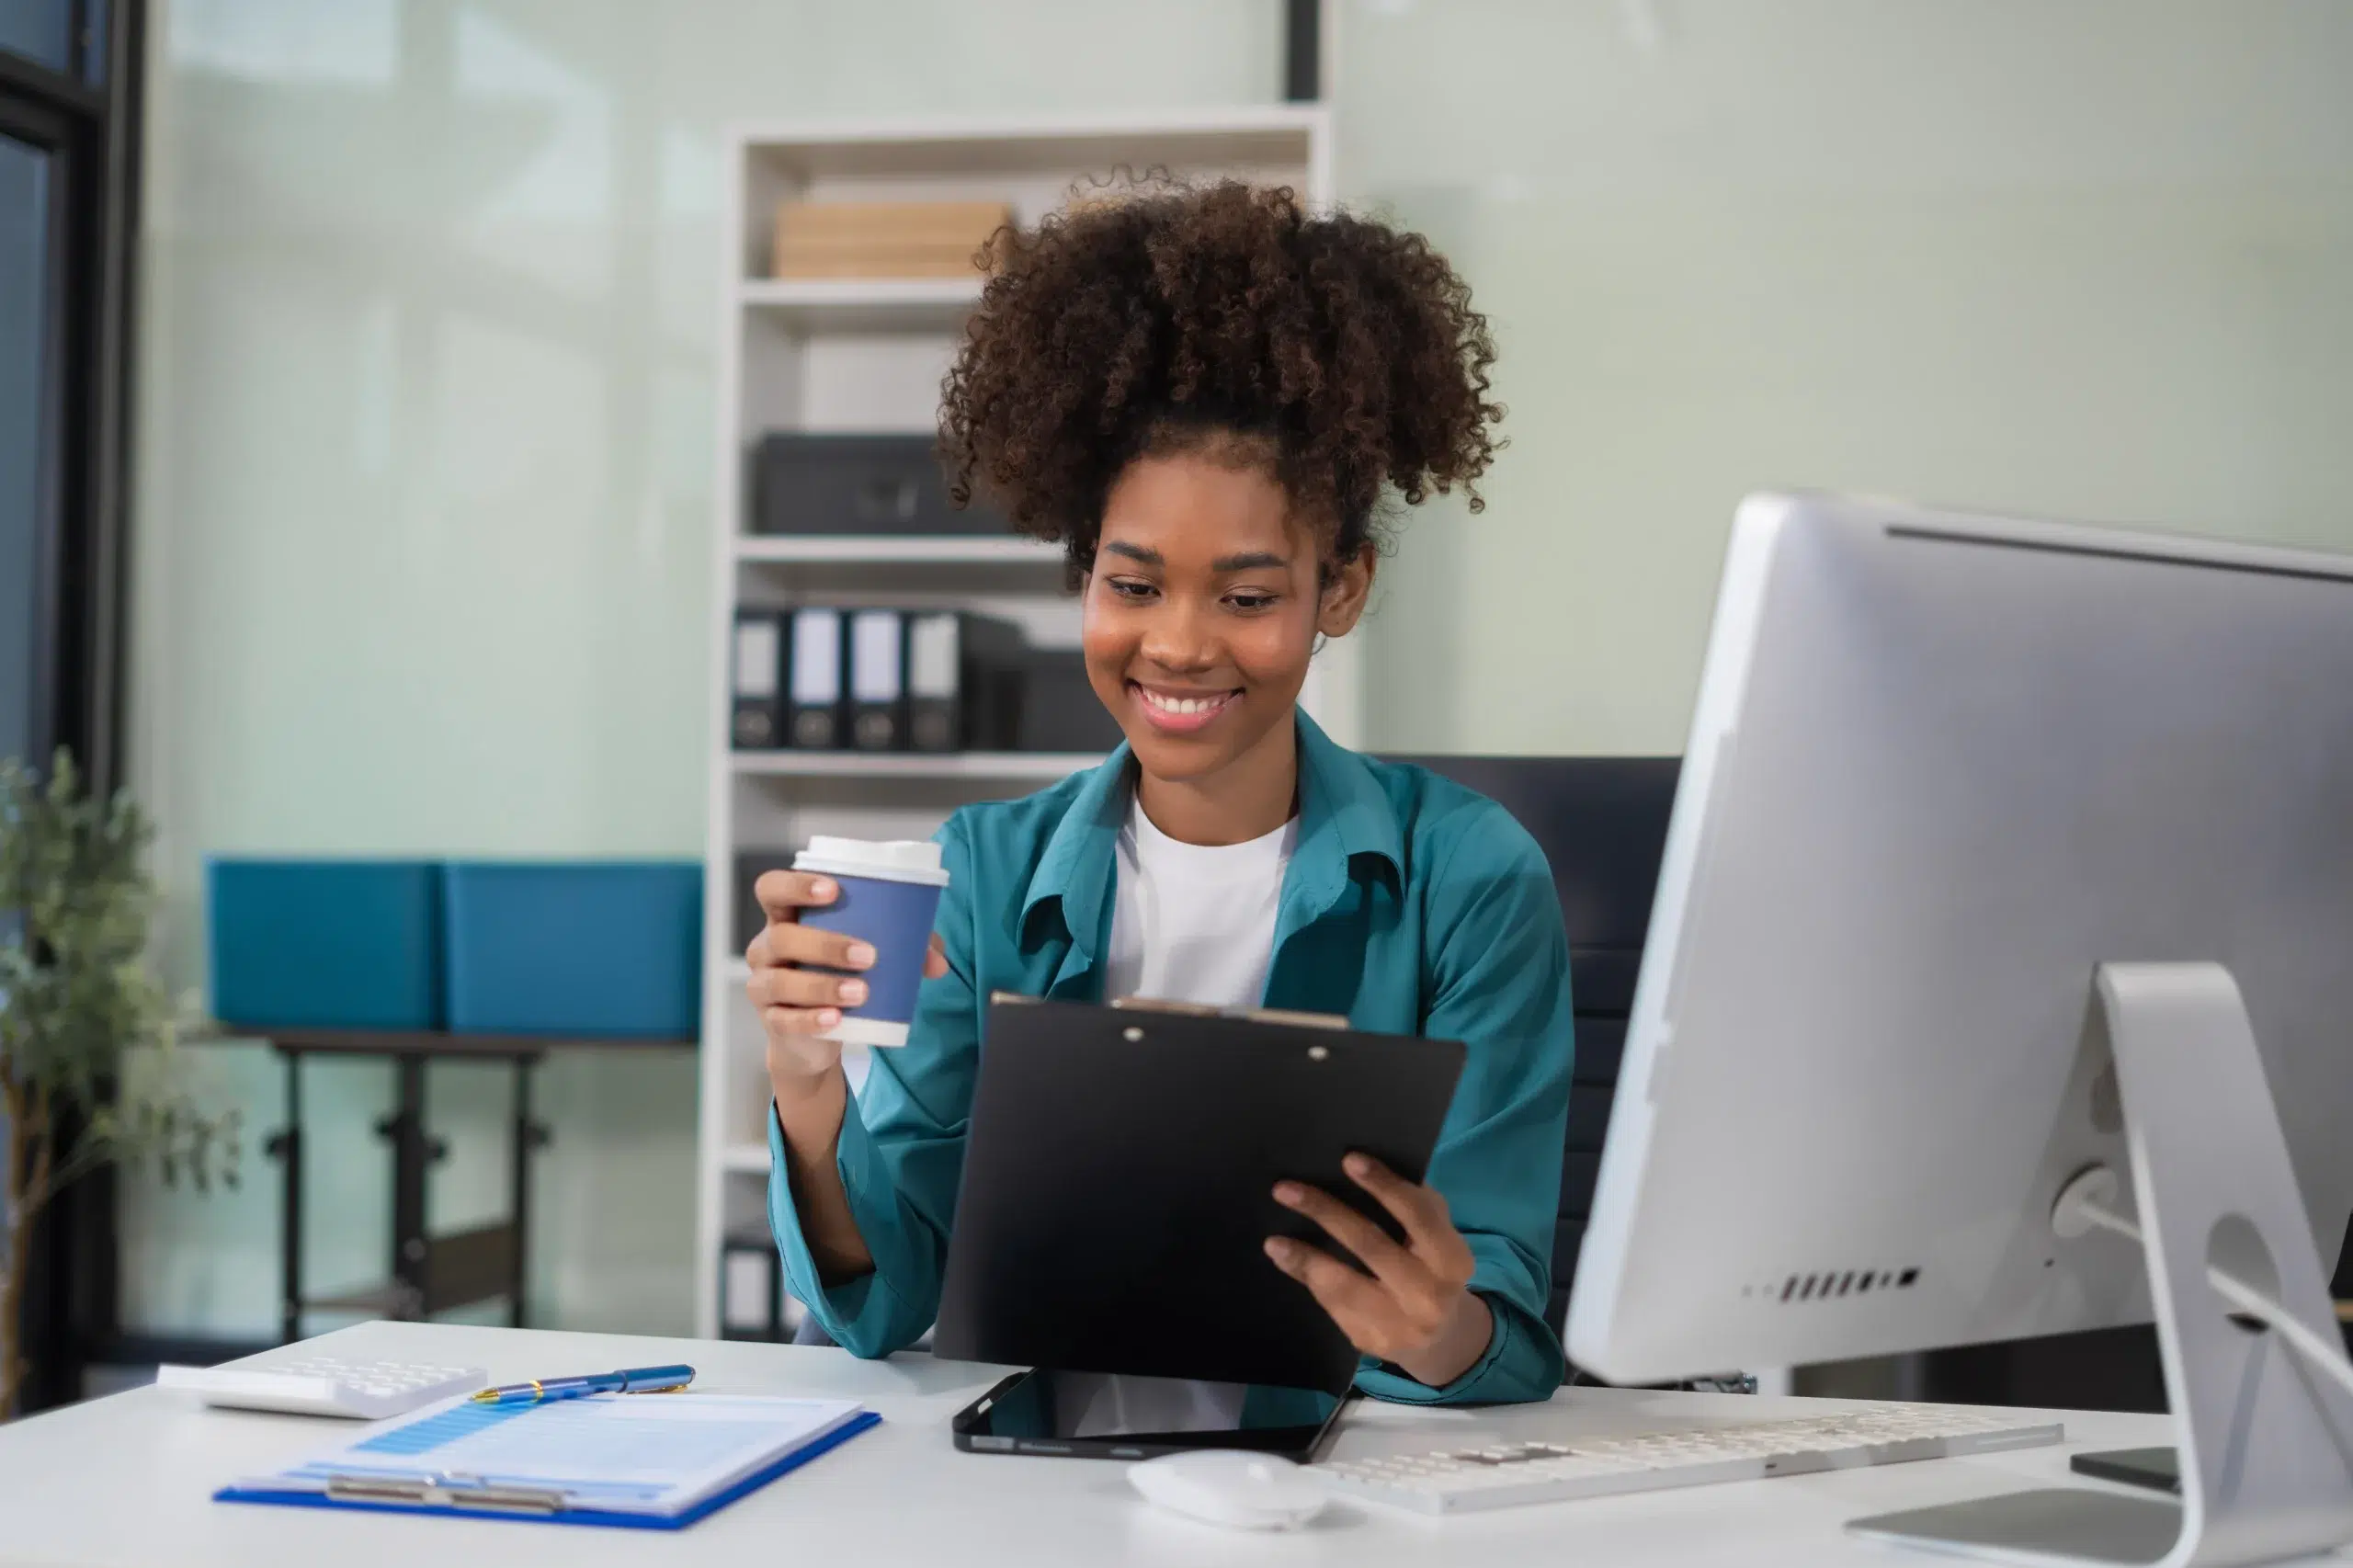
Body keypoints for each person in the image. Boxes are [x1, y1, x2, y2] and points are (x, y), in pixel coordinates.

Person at [748, 181, 1574, 1404]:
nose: (1179, 646)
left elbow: (1493, 1316)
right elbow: (896, 1294)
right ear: (1085, 575)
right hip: (1050, 1479)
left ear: (1339, 588)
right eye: (1133, 586)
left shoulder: (1469, 877)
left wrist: (1442, 1326)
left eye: (1245, 597)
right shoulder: (987, 870)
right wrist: (809, 1088)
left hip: (1351, 1485)